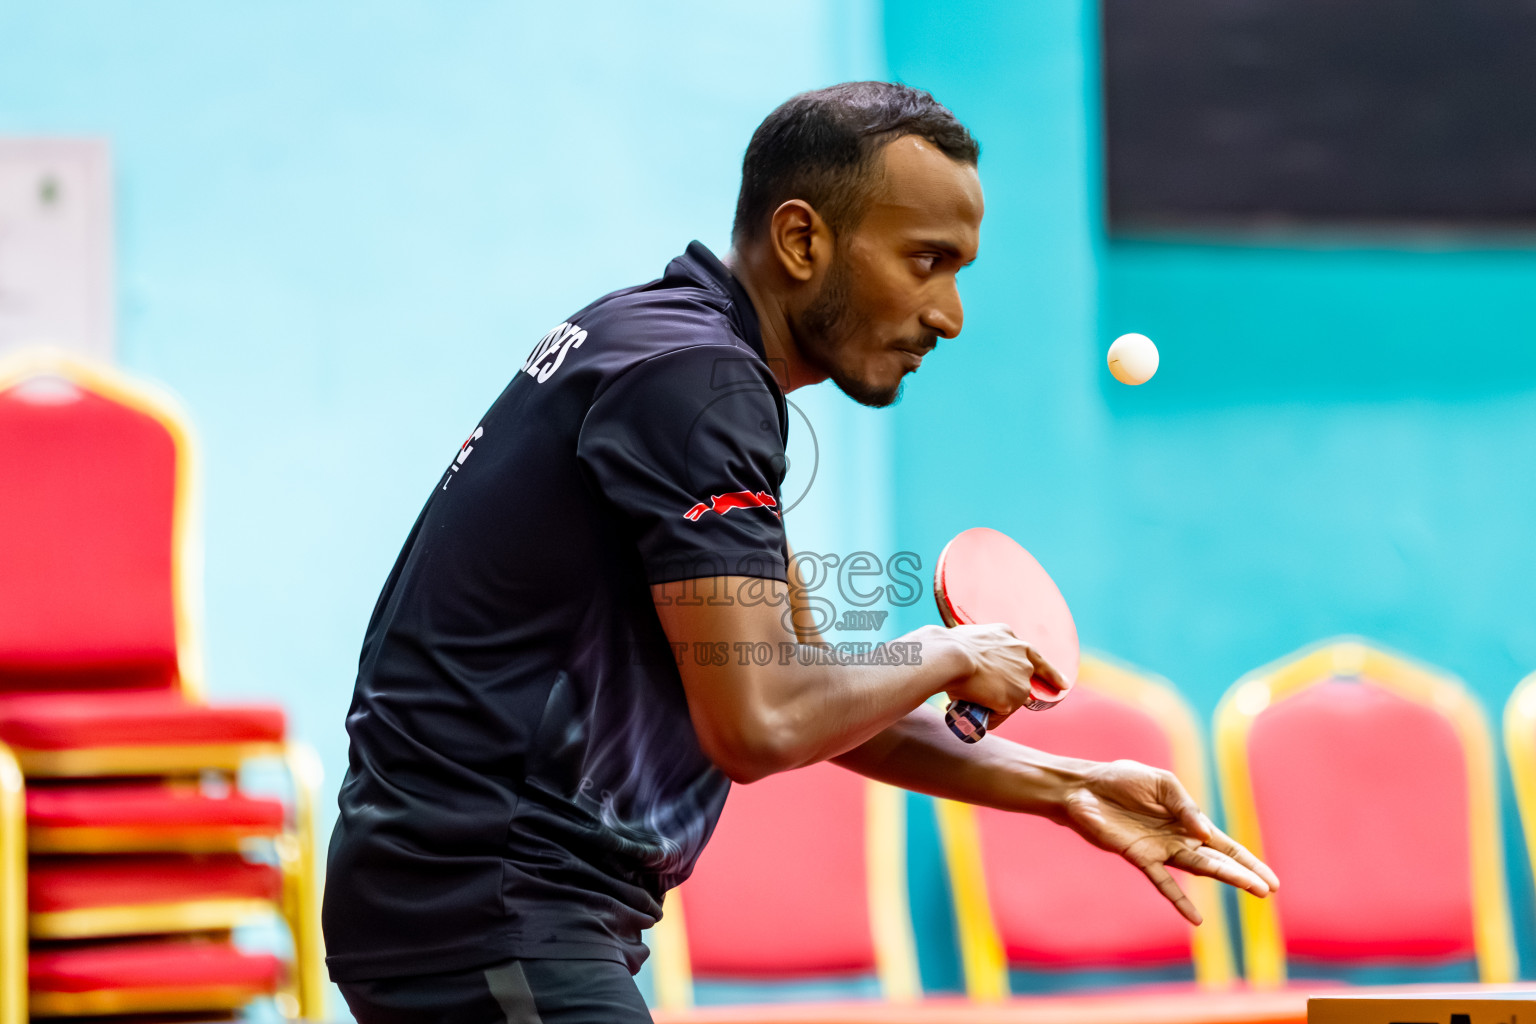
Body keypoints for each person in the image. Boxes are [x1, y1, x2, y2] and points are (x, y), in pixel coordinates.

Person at [323, 81, 1278, 1024]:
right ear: (802, 240)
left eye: (959, 271)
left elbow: (803, 689)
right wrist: (948, 651)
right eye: (925, 261)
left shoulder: (669, 349)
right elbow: (762, 725)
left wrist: (1070, 788)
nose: (949, 314)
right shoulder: (699, 383)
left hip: (472, 902)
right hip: (492, 902)